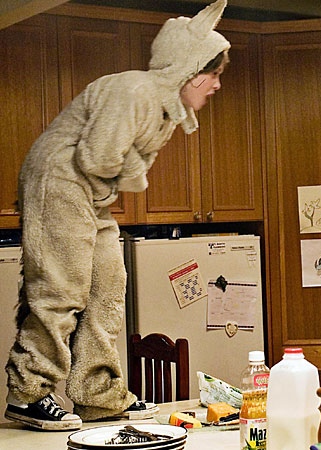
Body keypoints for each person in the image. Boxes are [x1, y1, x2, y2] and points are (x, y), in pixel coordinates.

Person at [4, 0, 231, 431]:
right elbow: (98, 158)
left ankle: (97, 394)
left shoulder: (167, 112)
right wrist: (128, 176)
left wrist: (125, 176)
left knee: (109, 284)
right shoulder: (135, 91)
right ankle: (28, 392)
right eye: (214, 74)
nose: (217, 85)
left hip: (92, 192)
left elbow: (120, 168)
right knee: (61, 287)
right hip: (59, 178)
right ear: (189, 69)